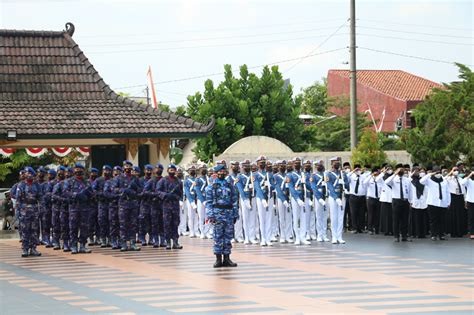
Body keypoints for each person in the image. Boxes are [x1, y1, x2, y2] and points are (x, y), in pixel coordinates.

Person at [206, 164, 239, 268]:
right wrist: (211, 215)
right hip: (217, 214)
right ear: (216, 173)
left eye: (224, 172)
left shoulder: (230, 185)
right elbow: (209, 202)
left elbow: (234, 200)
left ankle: (227, 258)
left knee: (228, 236)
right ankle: (218, 259)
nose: (222, 173)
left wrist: (235, 214)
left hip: (228, 213)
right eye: (220, 172)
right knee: (218, 236)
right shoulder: (211, 186)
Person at [64, 163, 93, 254]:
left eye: (80, 170)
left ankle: (82, 246)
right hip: (74, 208)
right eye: (76, 169)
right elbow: (65, 192)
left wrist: (87, 195)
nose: (78, 171)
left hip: (85, 208)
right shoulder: (69, 181)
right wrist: (76, 195)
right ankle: (73, 246)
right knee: (73, 228)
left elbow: (92, 194)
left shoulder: (87, 182)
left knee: (84, 227)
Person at [15, 167, 42, 257]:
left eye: (30, 173)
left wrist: (41, 209)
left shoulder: (37, 185)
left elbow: (40, 198)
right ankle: (25, 249)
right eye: (27, 173)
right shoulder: (21, 185)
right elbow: (18, 199)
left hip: (34, 209)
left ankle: (33, 248)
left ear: (33, 175)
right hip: (24, 210)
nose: (28, 175)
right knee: (25, 230)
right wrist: (18, 211)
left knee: (34, 230)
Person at [115, 161, 141, 251]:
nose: (128, 168)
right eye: (126, 166)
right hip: (123, 204)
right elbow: (114, 189)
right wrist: (123, 190)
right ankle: (123, 243)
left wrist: (135, 190)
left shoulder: (135, 179)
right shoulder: (119, 178)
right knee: (123, 224)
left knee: (133, 224)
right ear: (123, 167)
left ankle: (133, 243)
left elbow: (141, 190)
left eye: (129, 166)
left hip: (133, 204)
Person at [156, 164, 183, 250]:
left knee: (175, 223)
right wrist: (165, 195)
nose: (172, 171)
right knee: (167, 223)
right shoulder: (163, 180)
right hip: (166, 205)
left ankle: (175, 241)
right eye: (170, 170)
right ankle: (167, 242)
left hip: (175, 205)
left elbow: (181, 193)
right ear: (167, 170)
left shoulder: (178, 181)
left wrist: (176, 197)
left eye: (173, 170)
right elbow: (158, 191)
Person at [420, 166, 451, 241]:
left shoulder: (444, 181)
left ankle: (441, 235)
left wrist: (448, 202)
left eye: (439, 172)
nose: (438, 173)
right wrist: (430, 174)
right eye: (436, 172)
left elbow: (447, 192)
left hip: (442, 203)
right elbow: (421, 181)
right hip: (433, 203)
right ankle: (433, 235)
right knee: (433, 220)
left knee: (442, 220)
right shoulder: (429, 180)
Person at [385, 165, 413, 242]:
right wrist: (394, 174)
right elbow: (386, 182)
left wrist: (410, 201)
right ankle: (396, 236)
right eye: (399, 170)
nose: (401, 171)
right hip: (396, 201)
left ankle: (404, 236)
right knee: (396, 219)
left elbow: (410, 191)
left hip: (405, 201)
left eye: (402, 170)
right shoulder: (393, 179)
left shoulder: (407, 180)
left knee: (405, 220)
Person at [325, 157, 349, 244]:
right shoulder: (329, 174)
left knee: (340, 217)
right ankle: (334, 236)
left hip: (342, 196)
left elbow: (347, 184)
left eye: (338, 162)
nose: (337, 164)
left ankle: (340, 236)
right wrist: (336, 198)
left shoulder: (342, 173)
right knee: (334, 217)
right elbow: (330, 187)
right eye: (335, 162)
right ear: (332, 164)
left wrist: (344, 182)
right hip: (333, 197)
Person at [287, 157, 309, 245]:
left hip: (303, 197)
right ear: (293, 164)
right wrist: (297, 199)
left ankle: (303, 237)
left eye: (299, 163)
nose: (297, 165)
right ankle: (297, 237)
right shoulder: (290, 175)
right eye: (295, 163)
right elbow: (291, 188)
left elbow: (307, 186)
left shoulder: (303, 174)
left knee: (303, 218)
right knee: (296, 218)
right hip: (295, 198)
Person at [235, 159, 256, 245]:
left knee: (252, 218)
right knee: (245, 218)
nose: (246, 167)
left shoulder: (253, 175)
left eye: (248, 166)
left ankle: (252, 237)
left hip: (252, 198)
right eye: (245, 166)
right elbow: (240, 189)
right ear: (242, 167)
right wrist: (244, 199)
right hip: (244, 199)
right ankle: (246, 237)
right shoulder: (239, 177)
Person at [254, 155, 273, 246]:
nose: (262, 164)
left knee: (269, 218)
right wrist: (262, 199)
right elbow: (257, 187)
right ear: (257, 164)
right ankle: (263, 238)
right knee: (261, 218)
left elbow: (274, 186)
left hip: (269, 197)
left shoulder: (269, 174)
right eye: (260, 163)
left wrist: (270, 185)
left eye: (263, 162)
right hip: (260, 198)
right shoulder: (255, 175)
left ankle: (268, 238)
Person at [92, 165, 112, 247]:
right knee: (102, 221)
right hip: (101, 203)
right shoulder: (98, 180)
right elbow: (93, 190)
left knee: (111, 221)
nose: (106, 172)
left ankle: (110, 239)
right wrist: (101, 194)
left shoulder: (112, 180)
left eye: (107, 171)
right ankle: (103, 238)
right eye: (104, 170)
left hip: (110, 203)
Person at [446, 166, 467, 237]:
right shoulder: (449, 179)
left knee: (460, 214)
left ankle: (460, 231)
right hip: (453, 197)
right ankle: (454, 232)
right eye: (455, 170)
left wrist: (465, 200)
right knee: (454, 215)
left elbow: (463, 189)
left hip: (460, 197)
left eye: (457, 170)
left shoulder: (460, 178)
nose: (456, 171)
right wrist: (451, 172)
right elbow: (444, 179)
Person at [311, 160, 329, 242]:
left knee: (325, 217)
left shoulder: (326, 174)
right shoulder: (314, 176)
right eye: (318, 165)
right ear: (315, 167)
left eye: (320, 165)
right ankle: (319, 234)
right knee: (319, 217)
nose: (319, 166)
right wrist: (319, 198)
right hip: (318, 197)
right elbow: (314, 188)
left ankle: (324, 234)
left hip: (326, 197)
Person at [274, 160, 292, 243]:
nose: (282, 167)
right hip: (281, 198)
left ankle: (288, 236)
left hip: (288, 197)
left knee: (288, 218)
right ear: (278, 167)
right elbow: (277, 189)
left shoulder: (288, 175)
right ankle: (283, 236)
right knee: (281, 218)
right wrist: (283, 200)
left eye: (284, 165)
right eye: (281, 166)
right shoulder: (276, 176)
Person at [410, 167, 428, 238]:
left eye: (420, 171)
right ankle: (414, 233)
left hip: (423, 201)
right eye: (416, 171)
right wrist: (410, 201)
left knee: (423, 219)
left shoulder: (424, 181)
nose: (418, 173)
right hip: (414, 202)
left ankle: (422, 233)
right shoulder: (411, 181)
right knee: (415, 218)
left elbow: (427, 192)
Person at [349, 164, 368, 234]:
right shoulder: (351, 176)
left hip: (362, 197)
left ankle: (361, 228)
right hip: (353, 196)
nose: (358, 171)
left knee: (362, 213)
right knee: (353, 213)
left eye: (359, 169)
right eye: (357, 169)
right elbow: (346, 177)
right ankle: (354, 228)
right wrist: (353, 171)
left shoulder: (363, 176)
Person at [137, 164, 154, 245]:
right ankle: (142, 237)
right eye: (147, 170)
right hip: (143, 203)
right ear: (144, 171)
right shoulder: (140, 180)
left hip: (152, 203)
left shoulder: (153, 180)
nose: (148, 172)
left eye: (150, 170)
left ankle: (151, 238)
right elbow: (139, 192)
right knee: (142, 221)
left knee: (152, 221)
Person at [364, 167, 382, 235]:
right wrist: (371, 175)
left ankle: (377, 229)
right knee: (370, 214)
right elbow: (365, 183)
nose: (377, 173)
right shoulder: (369, 179)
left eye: (377, 172)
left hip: (378, 199)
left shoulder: (379, 179)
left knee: (377, 214)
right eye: (376, 172)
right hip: (371, 199)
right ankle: (370, 229)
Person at [377, 165, 394, 236]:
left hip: (393, 198)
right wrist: (382, 172)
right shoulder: (382, 177)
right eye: (388, 169)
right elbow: (377, 179)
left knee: (392, 216)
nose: (389, 170)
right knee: (385, 216)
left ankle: (392, 230)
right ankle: (386, 230)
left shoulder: (394, 177)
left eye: (390, 169)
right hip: (385, 199)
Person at [184, 165, 199, 238]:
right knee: (190, 216)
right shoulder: (186, 181)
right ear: (188, 171)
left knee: (196, 216)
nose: (192, 171)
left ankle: (196, 230)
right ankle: (191, 231)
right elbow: (187, 192)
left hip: (197, 199)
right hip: (190, 200)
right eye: (191, 170)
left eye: (193, 169)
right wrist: (192, 201)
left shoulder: (197, 179)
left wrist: (197, 199)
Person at [460, 168, 474, 239]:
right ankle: (472, 233)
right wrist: (470, 174)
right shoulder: (468, 180)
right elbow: (462, 183)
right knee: (471, 218)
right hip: (471, 201)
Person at [87, 168, 99, 246]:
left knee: (98, 222)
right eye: (92, 173)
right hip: (89, 205)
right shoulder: (87, 182)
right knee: (90, 222)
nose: (93, 174)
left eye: (95, 173)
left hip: (98, 204)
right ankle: (90, 237)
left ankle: (98, 237)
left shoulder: (99, 181)